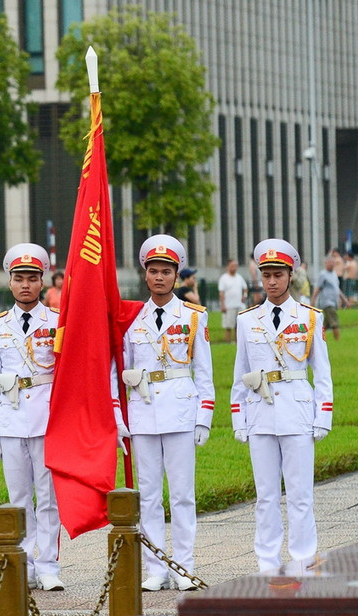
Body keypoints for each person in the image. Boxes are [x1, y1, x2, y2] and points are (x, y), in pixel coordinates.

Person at [118, 235, 214, 592]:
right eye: (153, 271)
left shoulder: (193, 316)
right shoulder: (131, 318)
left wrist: (204, 416)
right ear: (145, 274)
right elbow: (120, 370)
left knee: (182, 495)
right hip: (143, 413)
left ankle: (184, 566)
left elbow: (204, 372)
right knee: (148, 496)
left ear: (176, 275)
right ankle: (156, 568)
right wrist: (119, 417)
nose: (159, 277)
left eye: (166, 271)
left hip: (180, 410)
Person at [231, 239, 332, 572]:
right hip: (260, 413)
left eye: (278, 275)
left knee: (301, 495)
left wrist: (323, 415)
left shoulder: (309, 317)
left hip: (297, 412)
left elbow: (322, 372)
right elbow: (240, 373)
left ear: (291, 275)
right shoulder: (248, 320)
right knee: (266, 496)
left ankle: (303, 559)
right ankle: (267, 563)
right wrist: (239, 418)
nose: (272, 282)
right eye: (267, 275)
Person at [0, 243, 65, 592]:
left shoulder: (57, 321)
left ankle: (48, 566)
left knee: (48, 498)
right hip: (11, 419)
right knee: (19, 498)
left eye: (32, 278)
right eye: (19, 279)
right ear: (10, 282)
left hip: (47, 417)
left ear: (42, 282)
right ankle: (25, 563)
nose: (25, 285)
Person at [311, 255, 349, 341]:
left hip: (334, 302)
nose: (331, 264)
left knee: (326, 325)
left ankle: (317, 339)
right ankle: (338, 341)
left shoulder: (334, 274)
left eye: (333, 262)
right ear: (325, 263)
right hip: (327, 302)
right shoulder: (323, 274)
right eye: (329, 262)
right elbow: (317, 288)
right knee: (335, 323)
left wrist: (344, 300)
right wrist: (313, 301)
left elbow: (337, 289)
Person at [218, 259, 248, 343]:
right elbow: (221, 293)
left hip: (239, 305)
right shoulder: (224, 278)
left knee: (238, 325)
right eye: (232, 266)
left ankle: (237, 342)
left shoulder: (239, 277)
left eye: (236, 266)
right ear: (228, 267)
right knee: (228, 326)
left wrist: (244, 296)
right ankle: (228, 342)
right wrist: (222, 305)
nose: (234, 268)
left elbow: (245, 288)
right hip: (229, 306)